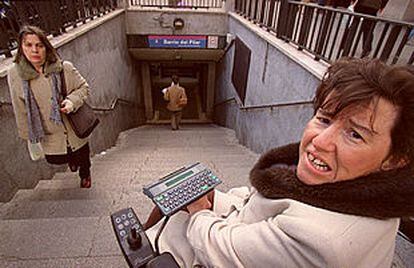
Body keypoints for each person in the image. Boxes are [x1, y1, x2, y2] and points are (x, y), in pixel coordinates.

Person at [144, 58, 414, 267]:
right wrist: (214, 198)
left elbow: (221, 250)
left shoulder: (323, 242)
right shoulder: (360, 190)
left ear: (394, 160)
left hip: (208, 249)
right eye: (325, 119)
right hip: (242, 226)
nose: (319, 142)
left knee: (167, 214)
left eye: (355, 134)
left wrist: (200, 210)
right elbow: (264, 206)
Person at [7, 25, 93, 188]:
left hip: (73, 128)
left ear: (46, 48)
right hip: (48, 132)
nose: (34, 50)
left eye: (39, 45)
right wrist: (28, 136)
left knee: (82, 156)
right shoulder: (15, 75)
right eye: (29, 45)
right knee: (57, 158)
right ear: (21, 47)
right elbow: (19, 107)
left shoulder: (64, 68)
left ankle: (85, 173)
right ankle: (71, 160)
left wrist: (71, 102)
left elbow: (83, 87)